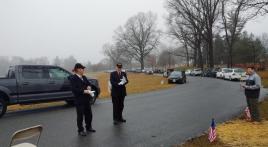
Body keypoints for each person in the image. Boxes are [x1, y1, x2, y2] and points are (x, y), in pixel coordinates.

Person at [68, 63, 96, 136]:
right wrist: (84, 91)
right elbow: (74, 90)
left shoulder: (84, 77)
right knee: (80, 116)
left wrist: (89, 87)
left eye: (83, 68)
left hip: (86, 99)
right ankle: (80, 130)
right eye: (82, 68)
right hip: (79, 100)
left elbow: (88, 84)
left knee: (89, 114)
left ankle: (88, 127)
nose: (83, 70)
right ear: (78, 69)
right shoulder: (73, 78)